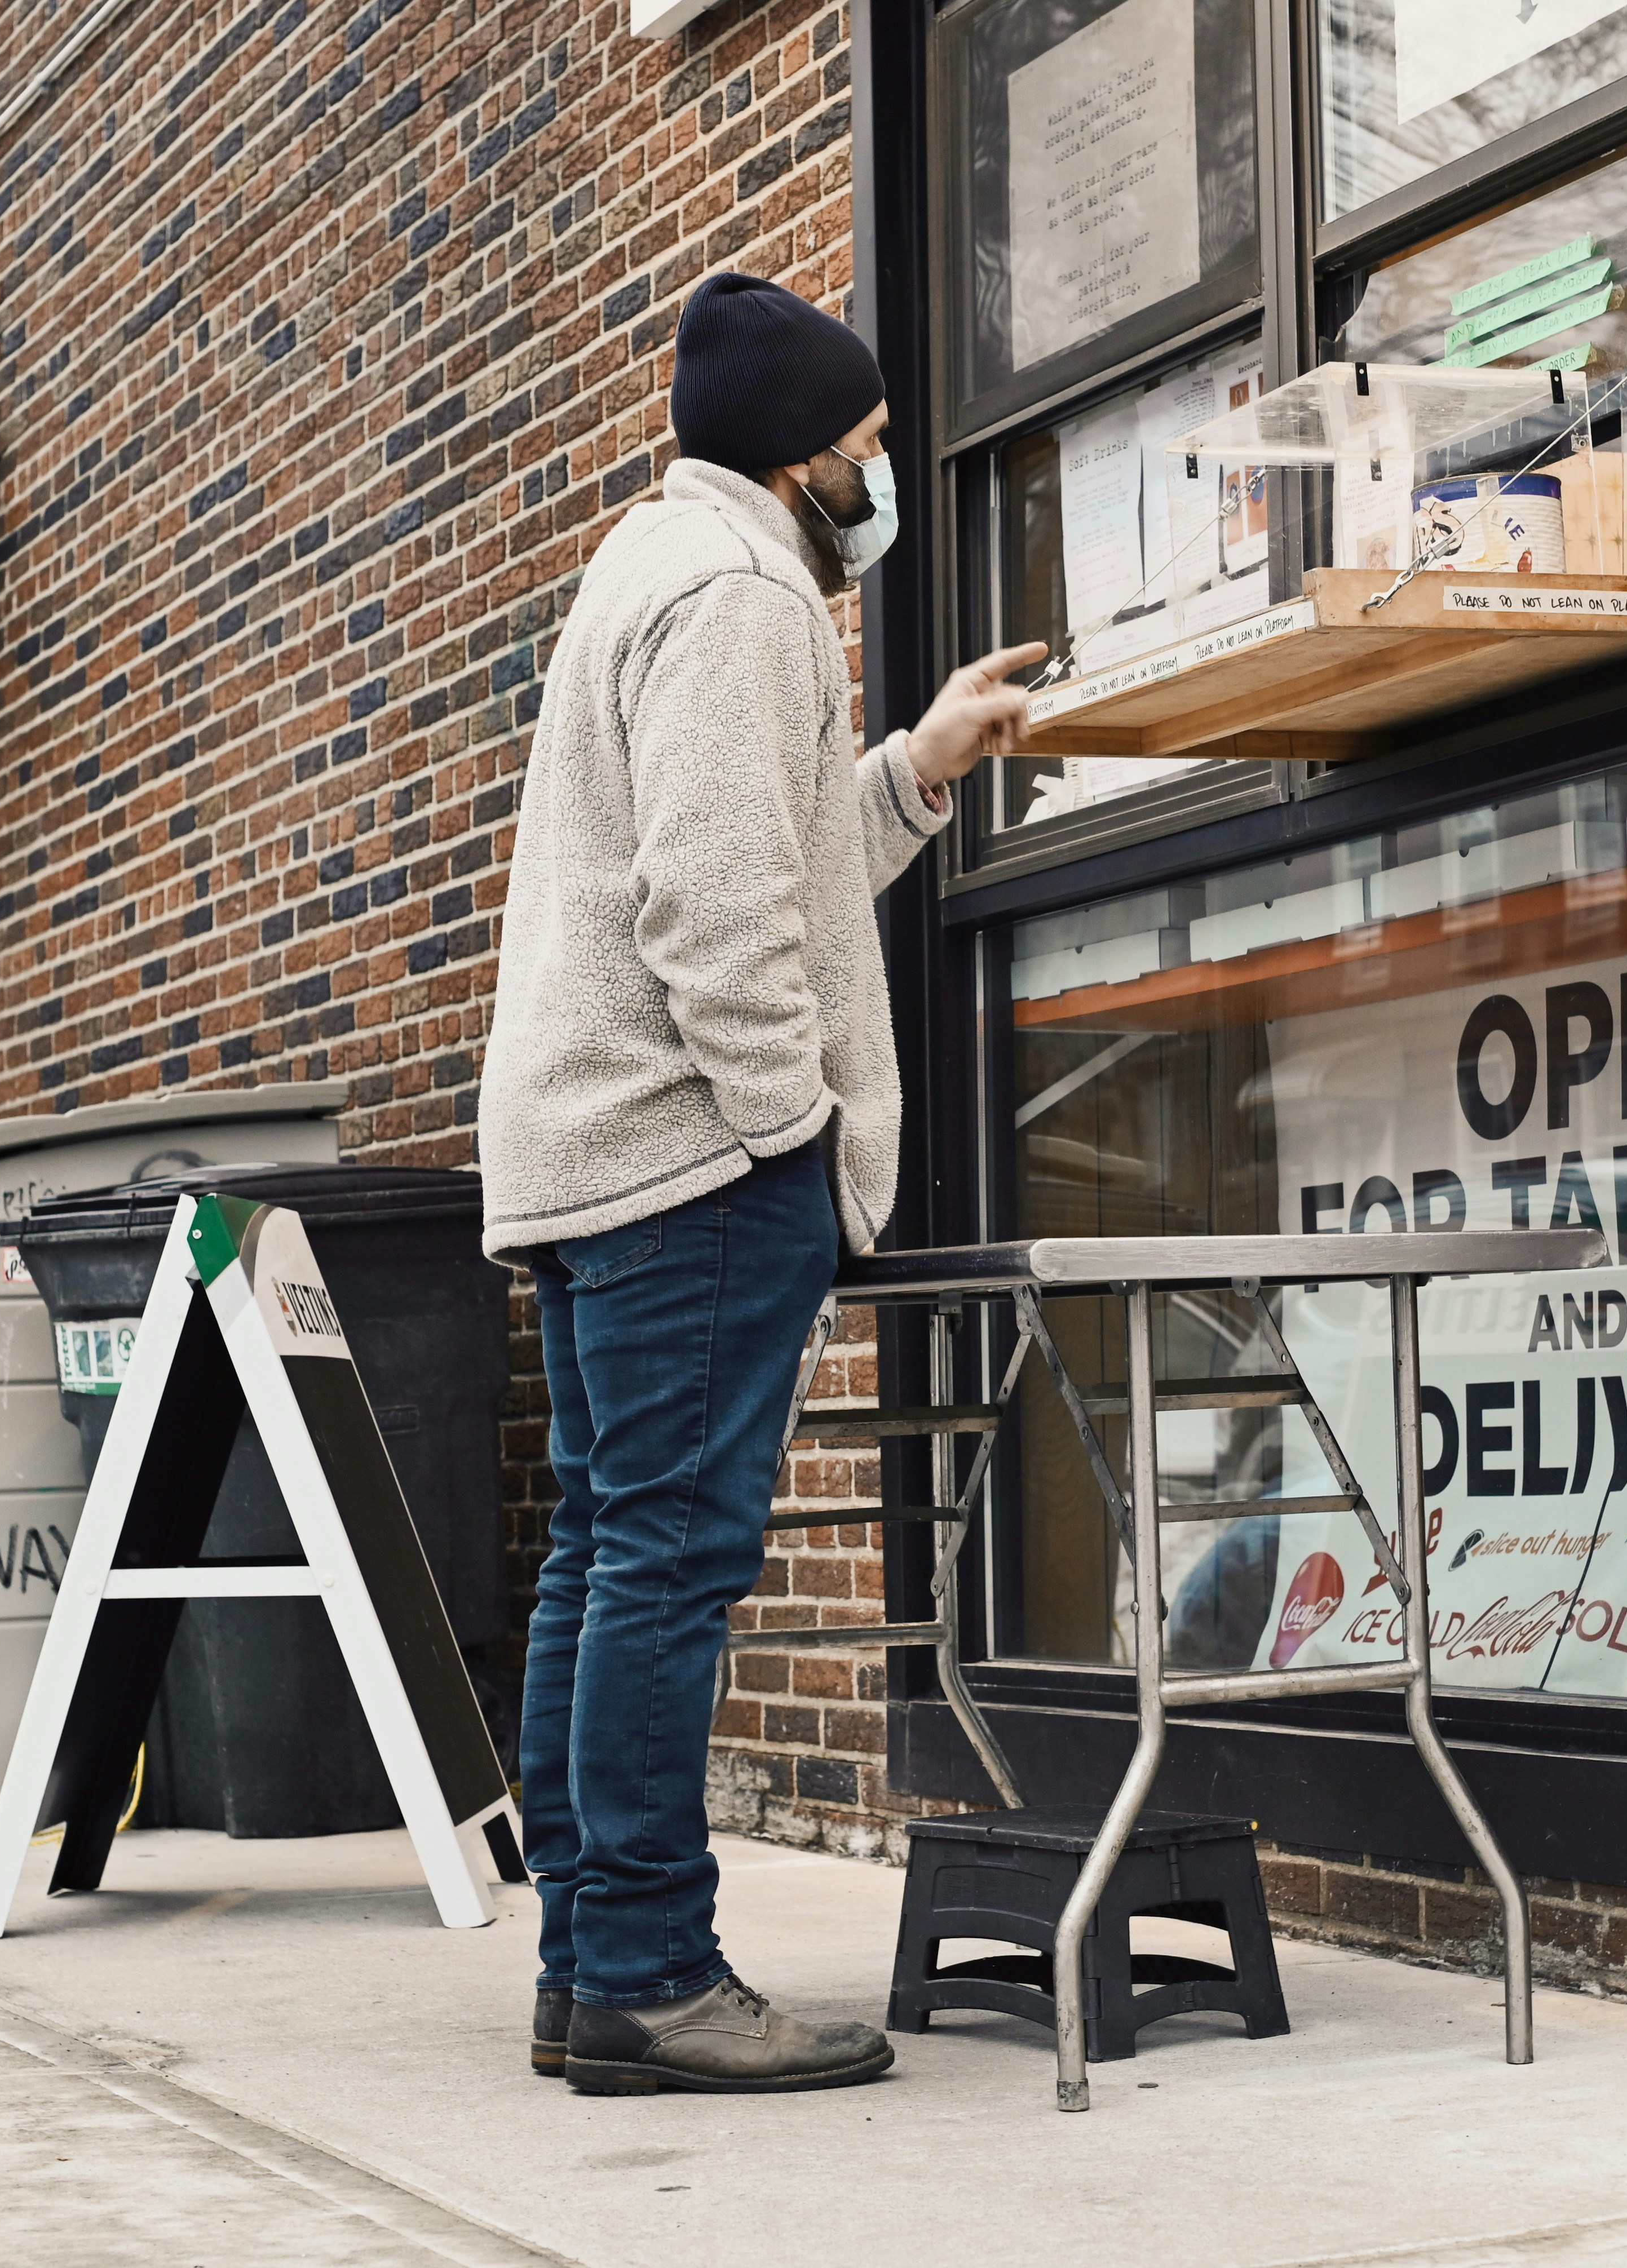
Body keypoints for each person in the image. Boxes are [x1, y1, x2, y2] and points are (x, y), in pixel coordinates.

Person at [477, 271, 1042, 2096]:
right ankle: (647, 1967)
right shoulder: (738, 598)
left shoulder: (659, 564)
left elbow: (765, 853)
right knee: (666, 1559)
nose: (880, 480)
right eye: (870, 451)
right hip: (687, 1157)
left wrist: (916, 768)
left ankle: (592, 1966)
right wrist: (787, 1129)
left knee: (604, 1552)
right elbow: (719, 917)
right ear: (806, 458)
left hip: (600, 1145)